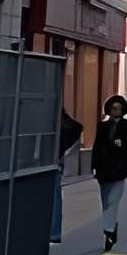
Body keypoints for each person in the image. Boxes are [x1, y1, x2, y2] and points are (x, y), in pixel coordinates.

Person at [92, 94, 127, 251]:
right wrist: (94, 166)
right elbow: (96, 147)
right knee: (106, 203)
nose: (115, 110)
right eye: (113, 108)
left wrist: (122, 144)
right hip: (103, 170)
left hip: (119, 170)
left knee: (113, 202)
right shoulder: (102, 126)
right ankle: (112, 226)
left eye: (118, 108)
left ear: (123, 110)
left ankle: (109, 232)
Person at [50, 105, 82, 244]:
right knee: (55, 197)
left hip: (51, 162)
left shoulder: (55, 119)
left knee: (54, 197)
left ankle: (54, 232)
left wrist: (60, 148)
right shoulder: (60, 120)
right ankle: (54, 232)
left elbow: (77, 127)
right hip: (54, 161)